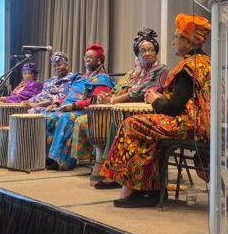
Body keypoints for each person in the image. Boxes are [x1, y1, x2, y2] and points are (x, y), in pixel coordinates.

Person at [101, 14, 211, 208]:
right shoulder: (206, 62)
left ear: (188, 40)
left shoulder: (188, 66)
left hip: (191, 126)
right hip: (201, 125)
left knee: (131, 124)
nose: (173, 42)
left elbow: (174, 108)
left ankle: (141, 190)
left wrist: (155, 100)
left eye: (177, 37)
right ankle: (147, 189)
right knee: (146, 128)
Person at [71, 29, 168, 186]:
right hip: (138, 112)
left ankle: (115, 171)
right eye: (143, 50)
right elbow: (130, 92)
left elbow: (137, 93)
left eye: (151, 50)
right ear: (137, 54)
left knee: (120, 123)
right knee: (113, 123)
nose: (148, 53)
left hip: (156, 113)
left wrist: (112, 101)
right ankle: (112, 168)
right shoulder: (142, 72)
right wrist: (110, 98)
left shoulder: (160, 69)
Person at [45, 44, 115, 170]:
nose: (87, 59)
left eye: (91, 57)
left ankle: (61, 161)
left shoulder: (102, 78)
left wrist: (73, 106)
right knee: (46, 116)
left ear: (99, 60)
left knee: (67, 118)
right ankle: (45, 156)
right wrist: (56, 104)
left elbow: (95, 100)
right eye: (86, 57)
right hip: (66, 106)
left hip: (84, 111)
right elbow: (69, 94)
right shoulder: (80, 77)